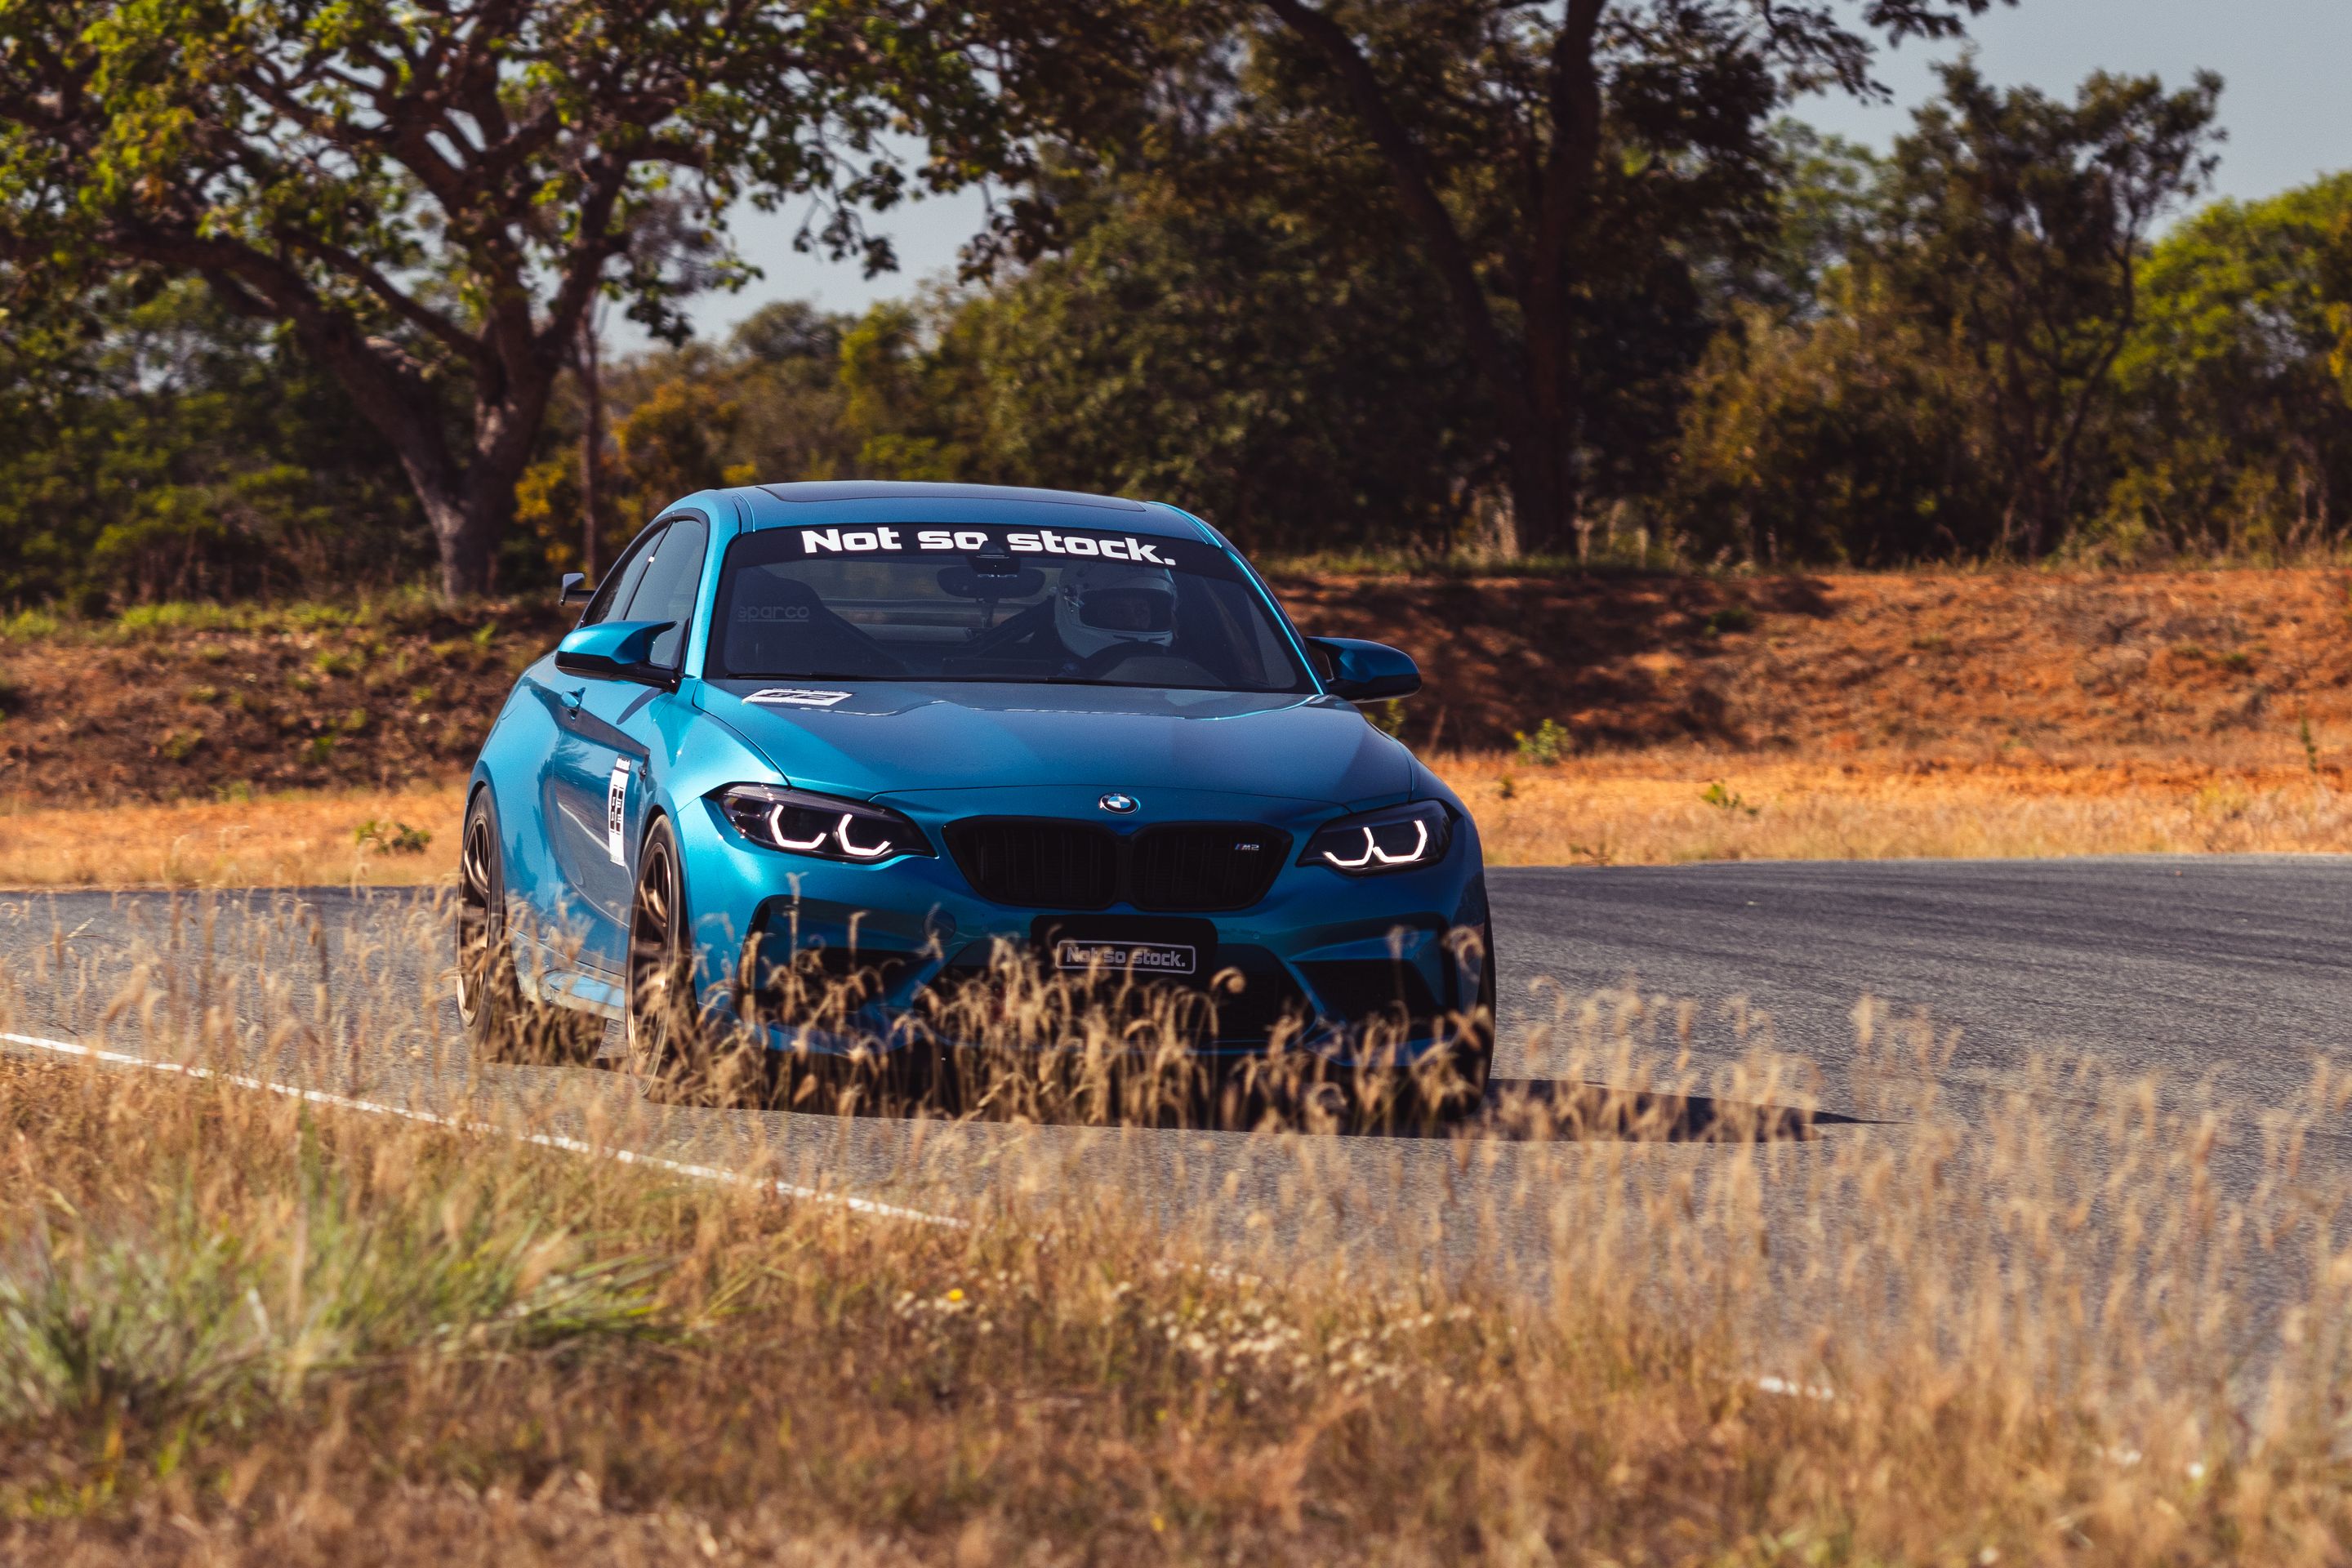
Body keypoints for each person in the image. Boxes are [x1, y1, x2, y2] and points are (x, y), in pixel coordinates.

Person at [1051, 561, 1178, 675]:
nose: (1133, 622)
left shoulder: (1177, 674)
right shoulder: (1053, 681)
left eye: (1141, 612)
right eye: (1118, 612)